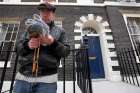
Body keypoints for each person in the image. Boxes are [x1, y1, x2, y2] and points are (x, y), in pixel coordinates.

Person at [13, 2, 70, 93]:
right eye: (42, 11)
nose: (45, 14)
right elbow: (17, 48)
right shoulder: (30, 28)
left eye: (48, 12)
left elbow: (66, 52)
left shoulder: (60, 31)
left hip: (47, 81)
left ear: (53, 15)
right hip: (23, 78)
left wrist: (52, 43)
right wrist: (28, 45)